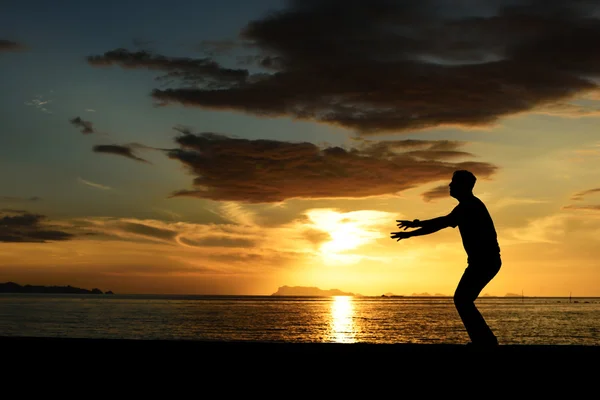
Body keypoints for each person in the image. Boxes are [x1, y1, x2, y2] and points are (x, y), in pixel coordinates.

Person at [391, 170, 501, 347]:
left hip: (485, 262)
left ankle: (485, 342)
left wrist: (412, 233)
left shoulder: (470, 206)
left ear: (463, 186)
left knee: (462, 299)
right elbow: (443, 221)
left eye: (453, 182)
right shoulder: (466, 206)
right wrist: (415, 226)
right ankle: (484, 341)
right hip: (482, 262)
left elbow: (441, 223)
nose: (450, 185)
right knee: (463, 300)